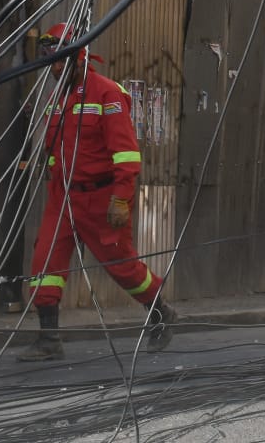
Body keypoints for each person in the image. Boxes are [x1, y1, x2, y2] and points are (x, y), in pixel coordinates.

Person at [18, 23, 174, 361]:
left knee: (122, 266)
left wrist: (121, 198)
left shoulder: (106, 94)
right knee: (45, 261)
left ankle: (160, 311)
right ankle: (49, 340)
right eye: (50, 60)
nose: (55, 66)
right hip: (63, 196)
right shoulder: (56, 98)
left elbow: (127, 154)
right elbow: (53, 145)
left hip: (102, 199)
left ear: (79, 56)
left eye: (60, 59)